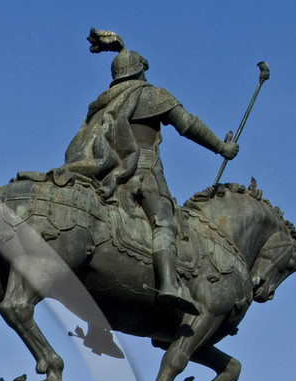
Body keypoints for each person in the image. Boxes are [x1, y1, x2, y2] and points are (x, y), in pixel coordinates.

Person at [60, 28, 237, 315]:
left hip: (104, 171)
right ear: (141, 70)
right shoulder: (151, 95)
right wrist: (221, 147)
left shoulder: (103, 102)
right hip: (142, 173)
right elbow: (188, 124)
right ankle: (169, 283)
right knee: (164, 221)